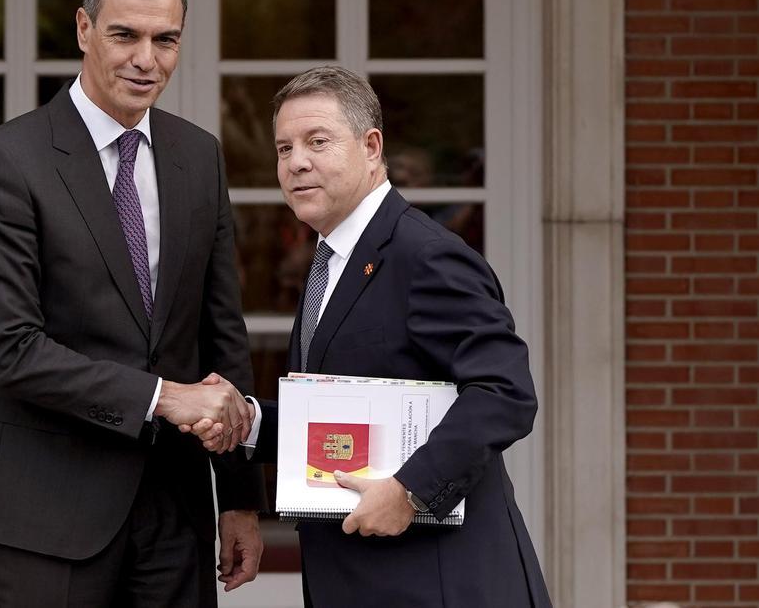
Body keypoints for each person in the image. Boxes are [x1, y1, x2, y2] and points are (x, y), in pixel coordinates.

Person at [0, 0, 265, 607]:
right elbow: (11, 348)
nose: (145, 59)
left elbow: (221, 332)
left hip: (176, 511)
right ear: (83, 29)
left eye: (165, 39)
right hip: (48, 512)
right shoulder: (5, 161)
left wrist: (238, 495)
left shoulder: (197, 155)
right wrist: (162, 397)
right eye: (125, 34)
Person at [183, 66, 551, 607]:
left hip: (439, 582)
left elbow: (504, 392)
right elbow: (350, 416)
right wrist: (251, 422)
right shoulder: (330, 261)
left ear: (372, 146)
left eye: (317, 142)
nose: (296, 162)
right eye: (284, 149)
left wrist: (409, 491)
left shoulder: (425, 255)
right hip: (365, 580)